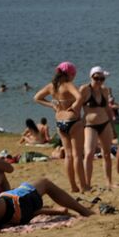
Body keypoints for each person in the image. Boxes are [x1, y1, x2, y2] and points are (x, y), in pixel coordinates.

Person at [33, 62, 88, 193]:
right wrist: (74, 107)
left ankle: (73, 186)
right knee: (77, 156)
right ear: (69, 74)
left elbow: (36, 98)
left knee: (68, 155)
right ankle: (84, 186)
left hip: (60, 122)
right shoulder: (68, 85)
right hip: (73, 121)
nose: (74, 77)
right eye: (73, 74)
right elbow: (79, 97)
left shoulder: (52, 86)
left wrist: (52, 105)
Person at [76, 66, 116, 189]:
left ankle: (108, 182)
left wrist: (113, 125)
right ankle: (87, 183)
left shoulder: (105, 90)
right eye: (96, 78)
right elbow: (77, 106)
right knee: (88, 154)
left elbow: (108, 109)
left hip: (105, 124)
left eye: (102, 78)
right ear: (91, 77)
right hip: (89, 125)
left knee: (107, 153)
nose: (99, 81)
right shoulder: (84, 89)